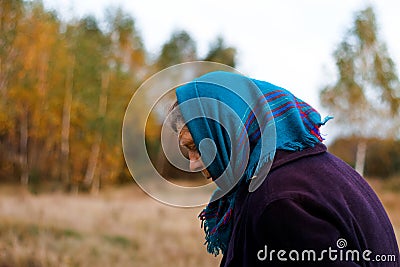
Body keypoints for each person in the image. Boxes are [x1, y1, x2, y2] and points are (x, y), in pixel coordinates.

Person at [170, 71, 399, 266]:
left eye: (197, 146)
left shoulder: (279, 202)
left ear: (228, 130)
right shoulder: (314, 168)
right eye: (186, 150)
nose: (193, 162)